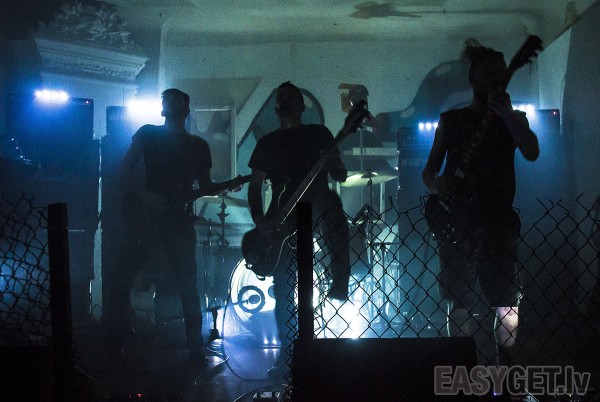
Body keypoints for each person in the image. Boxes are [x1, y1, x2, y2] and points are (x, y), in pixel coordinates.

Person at [422, 40, 539, 368]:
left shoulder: (514, 119)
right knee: (459, 303)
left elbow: (532, 151)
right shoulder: (451, 121)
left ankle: (506, 370)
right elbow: (429, 172)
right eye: (490, 74)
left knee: (507, 302)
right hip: (458, 221)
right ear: (474, 78)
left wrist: (509, 117)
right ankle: (462, 370)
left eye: (501, 74)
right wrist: (438, 184)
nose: (497, 80)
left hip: (498, 221)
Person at [247, 82, 352, 376]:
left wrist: (331, 161)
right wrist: (259, 218)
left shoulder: (319, 134)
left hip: (317, 208)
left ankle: (340, 279)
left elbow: (341, 175)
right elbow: (255, 186)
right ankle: (288, 355)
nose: (285, 100)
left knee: (331, 202)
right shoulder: (267, 143)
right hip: (282, 218)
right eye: (280, 97)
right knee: (284, 288)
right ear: (276, 107)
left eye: (290, 96)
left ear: (301, 106)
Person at [111, 88, 220, 366]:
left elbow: (205, 186)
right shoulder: (148, 133)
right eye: (166, 99)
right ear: (163, 108)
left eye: (175, 99)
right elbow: (124, 171)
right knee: (123, 277)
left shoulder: (198, 146)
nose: (169, 101)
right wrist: (146, 197)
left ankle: (195, 347)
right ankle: (118, 337)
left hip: (179, 221)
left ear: (185, 109)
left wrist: (224, 187)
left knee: (188, 284)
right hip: (148, 220)